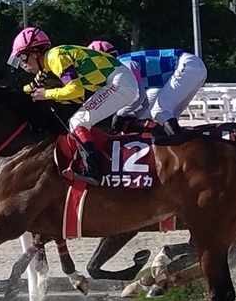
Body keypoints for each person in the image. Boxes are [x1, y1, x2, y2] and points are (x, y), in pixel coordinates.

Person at [8, 27, 140, 186]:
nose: (23, 64)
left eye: (23, 57)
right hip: (119, 80)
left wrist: (47, 94)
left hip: (120, 82)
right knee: (78, 120)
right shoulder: (49, 64)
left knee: (78, 121)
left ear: (35, 53)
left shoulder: (55, 57)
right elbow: (33, 88)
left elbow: (75, 90)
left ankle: (93, 170)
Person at [87, 41, 208, 136]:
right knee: (163, 115)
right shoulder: (121, 64)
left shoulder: (122, 65)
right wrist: (130, 116)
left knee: (159, 111)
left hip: (187, 65)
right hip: (192, 66)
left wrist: (119, 115)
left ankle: (181, 144)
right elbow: (144, 100)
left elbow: (139, 97)